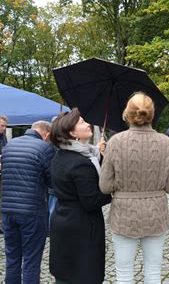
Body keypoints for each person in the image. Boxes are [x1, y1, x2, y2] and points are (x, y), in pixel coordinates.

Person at [100, 92, 169, 283]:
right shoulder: (167, 142)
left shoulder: (115, 142)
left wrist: (122, 182)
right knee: (153, 270)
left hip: (124, 215)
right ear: (152, 114)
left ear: (127, 114)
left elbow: (104, 186)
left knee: (124, 271)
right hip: (156, 213)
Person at [49, 109, 112, 284]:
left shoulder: (62, 155)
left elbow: (84, 182)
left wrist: (100, 157)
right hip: (82, 227)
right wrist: (112, 191)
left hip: (63, 219)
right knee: (84, 274)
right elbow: (91, 200)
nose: (88, 124)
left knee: (67, 273)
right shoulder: (80, 163)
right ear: (72, 133)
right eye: (82, 122)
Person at [0, 121, 56, 284]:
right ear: (47, 133)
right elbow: (52, 181)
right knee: (31, 260)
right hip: (32, 211)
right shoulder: (44, 148)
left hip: (8, 210)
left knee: (12, 257)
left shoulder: (10, 145)